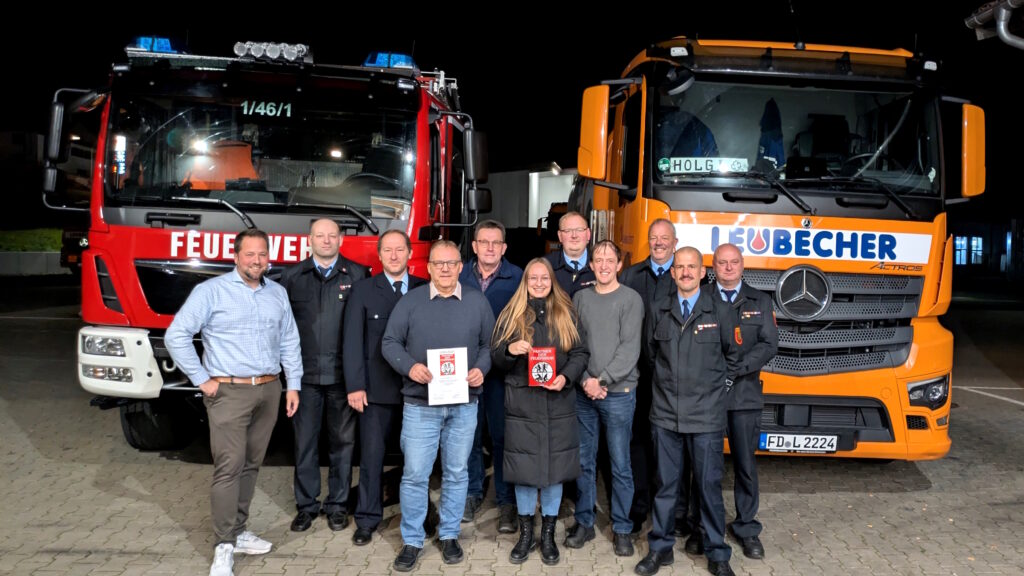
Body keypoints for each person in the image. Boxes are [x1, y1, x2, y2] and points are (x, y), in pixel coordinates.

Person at [165, 228, 302, 576]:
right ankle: (223, 545)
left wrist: (293, 385)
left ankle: (239, 531)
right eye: (249, 254)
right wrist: (202, 379)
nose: (257, 260)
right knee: (229, 466)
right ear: (236, 256)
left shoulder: (277, 294)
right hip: (228, 392)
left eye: (262, 254)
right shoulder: (211, 291)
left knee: (252, 464)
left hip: (269, 389)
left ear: (269, 257)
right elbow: (176, 335)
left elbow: (289, 340)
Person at [381, 240, 496, 572]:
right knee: (415, 475)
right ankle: (412, 540)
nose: (445, 269)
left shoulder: (477, 301)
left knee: (457, 473)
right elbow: (389, 342)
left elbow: (489, 345)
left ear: (461, 267)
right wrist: (410, 367)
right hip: (421, 405)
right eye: (438, 263)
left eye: (451, 263)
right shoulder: (411, 301)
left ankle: (449, 534)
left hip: (464, 404)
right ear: (428, 267)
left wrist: (481, 368)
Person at [635, 247, 739, 576]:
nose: (685, 272)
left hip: (706, 418)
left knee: (708, 487)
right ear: (673, 272)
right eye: (679, 267)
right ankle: (660, 549)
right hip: (665, 415)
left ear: (703, 272)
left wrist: (713, 393)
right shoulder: (659, 309)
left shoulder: (720, 310)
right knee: (665, 486)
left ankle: (717, 553)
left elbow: (733, 357)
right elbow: (650, 356)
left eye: (691, 267)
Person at [492, 257, 589, 565]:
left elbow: (581, 352)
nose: (538, 283)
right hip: (522, 405)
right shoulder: (511, 313)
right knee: (524, 473)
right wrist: (510, 350)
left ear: (551, 281)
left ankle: (547, 535)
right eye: (533, 278)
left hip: (558, 403)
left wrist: (566, 377)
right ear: (525, 282)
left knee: (554, 473)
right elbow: (495, 357)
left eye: (544, 278)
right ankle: (525, 535)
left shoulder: (566, 312)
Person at [279, 218, 367, 533]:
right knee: (305, 444)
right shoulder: (291, 277)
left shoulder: (358, 275)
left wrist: (359, 379)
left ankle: (338, 506)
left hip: (343, 379)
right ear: (310, 239)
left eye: (332, 235)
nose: (326, 240)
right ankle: (306, 506)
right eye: (320, 235)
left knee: (343, 444)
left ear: (341, 240)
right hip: (304, 378)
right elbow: (284, 330)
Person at [342, 230, 428, 546]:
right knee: (372, 458)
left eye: (399, 250)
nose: (393, 256)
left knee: (417, 462)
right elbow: (352, 341)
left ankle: (418, 518)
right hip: (375, 392)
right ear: (379, 255)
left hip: (418, 391)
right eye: (388, 250)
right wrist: (355, 386)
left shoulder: (425, 288)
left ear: (409, 253)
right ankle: (367, 519)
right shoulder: (363, 291)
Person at [619, 219, 698, 537]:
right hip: (637, 376)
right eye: (654, 237)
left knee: (676, 446)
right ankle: (639, 507)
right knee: (637, 442)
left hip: (674, 379)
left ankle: (677, 513)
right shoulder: (630, 276)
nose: (659, 242)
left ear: (675, 242)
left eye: (665, 238)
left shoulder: (686, 276)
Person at [567, 240, 644, 557]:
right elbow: (574, 343)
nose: (603, 265)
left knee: (620, 464)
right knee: (584, 462)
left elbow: (629, 349)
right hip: (585, 394)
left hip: (618, 395)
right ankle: (584, 522)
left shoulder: (631, 299)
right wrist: (586, 380)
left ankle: (622, 528)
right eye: (598, 259)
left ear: (619, 265)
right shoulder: (580, 298)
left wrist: (601, 381)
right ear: (591, 265)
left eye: (609, 260)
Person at [712, 243, 778, 560]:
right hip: (709, 397)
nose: (728, 268)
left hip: (745, 395)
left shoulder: (760, 301)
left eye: (734, 262)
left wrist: (739, 367)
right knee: (705, 467)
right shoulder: (702, 298)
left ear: (742, 264)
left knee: (745, 466)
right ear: (713, 267)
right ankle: (704, 527)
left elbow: (769, 344)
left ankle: (747, 528)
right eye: (722, 262)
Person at [459, 220, 523, 531]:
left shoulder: (518, 278)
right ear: (474, 246)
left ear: (504, 248)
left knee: (503, 437)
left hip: (502, 372)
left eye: (496, 243)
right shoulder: (458, 275)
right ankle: (472, 492)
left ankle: (506, 500)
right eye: (483, 242)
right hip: (466, 372)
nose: (489, 248)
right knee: (468, 436)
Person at [544, 211, 596, 298]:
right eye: (568, 231)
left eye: (579, 230)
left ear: (588, 234)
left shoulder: (601, 266)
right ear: (560, 236)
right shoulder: (545, 265)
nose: (574, 235)